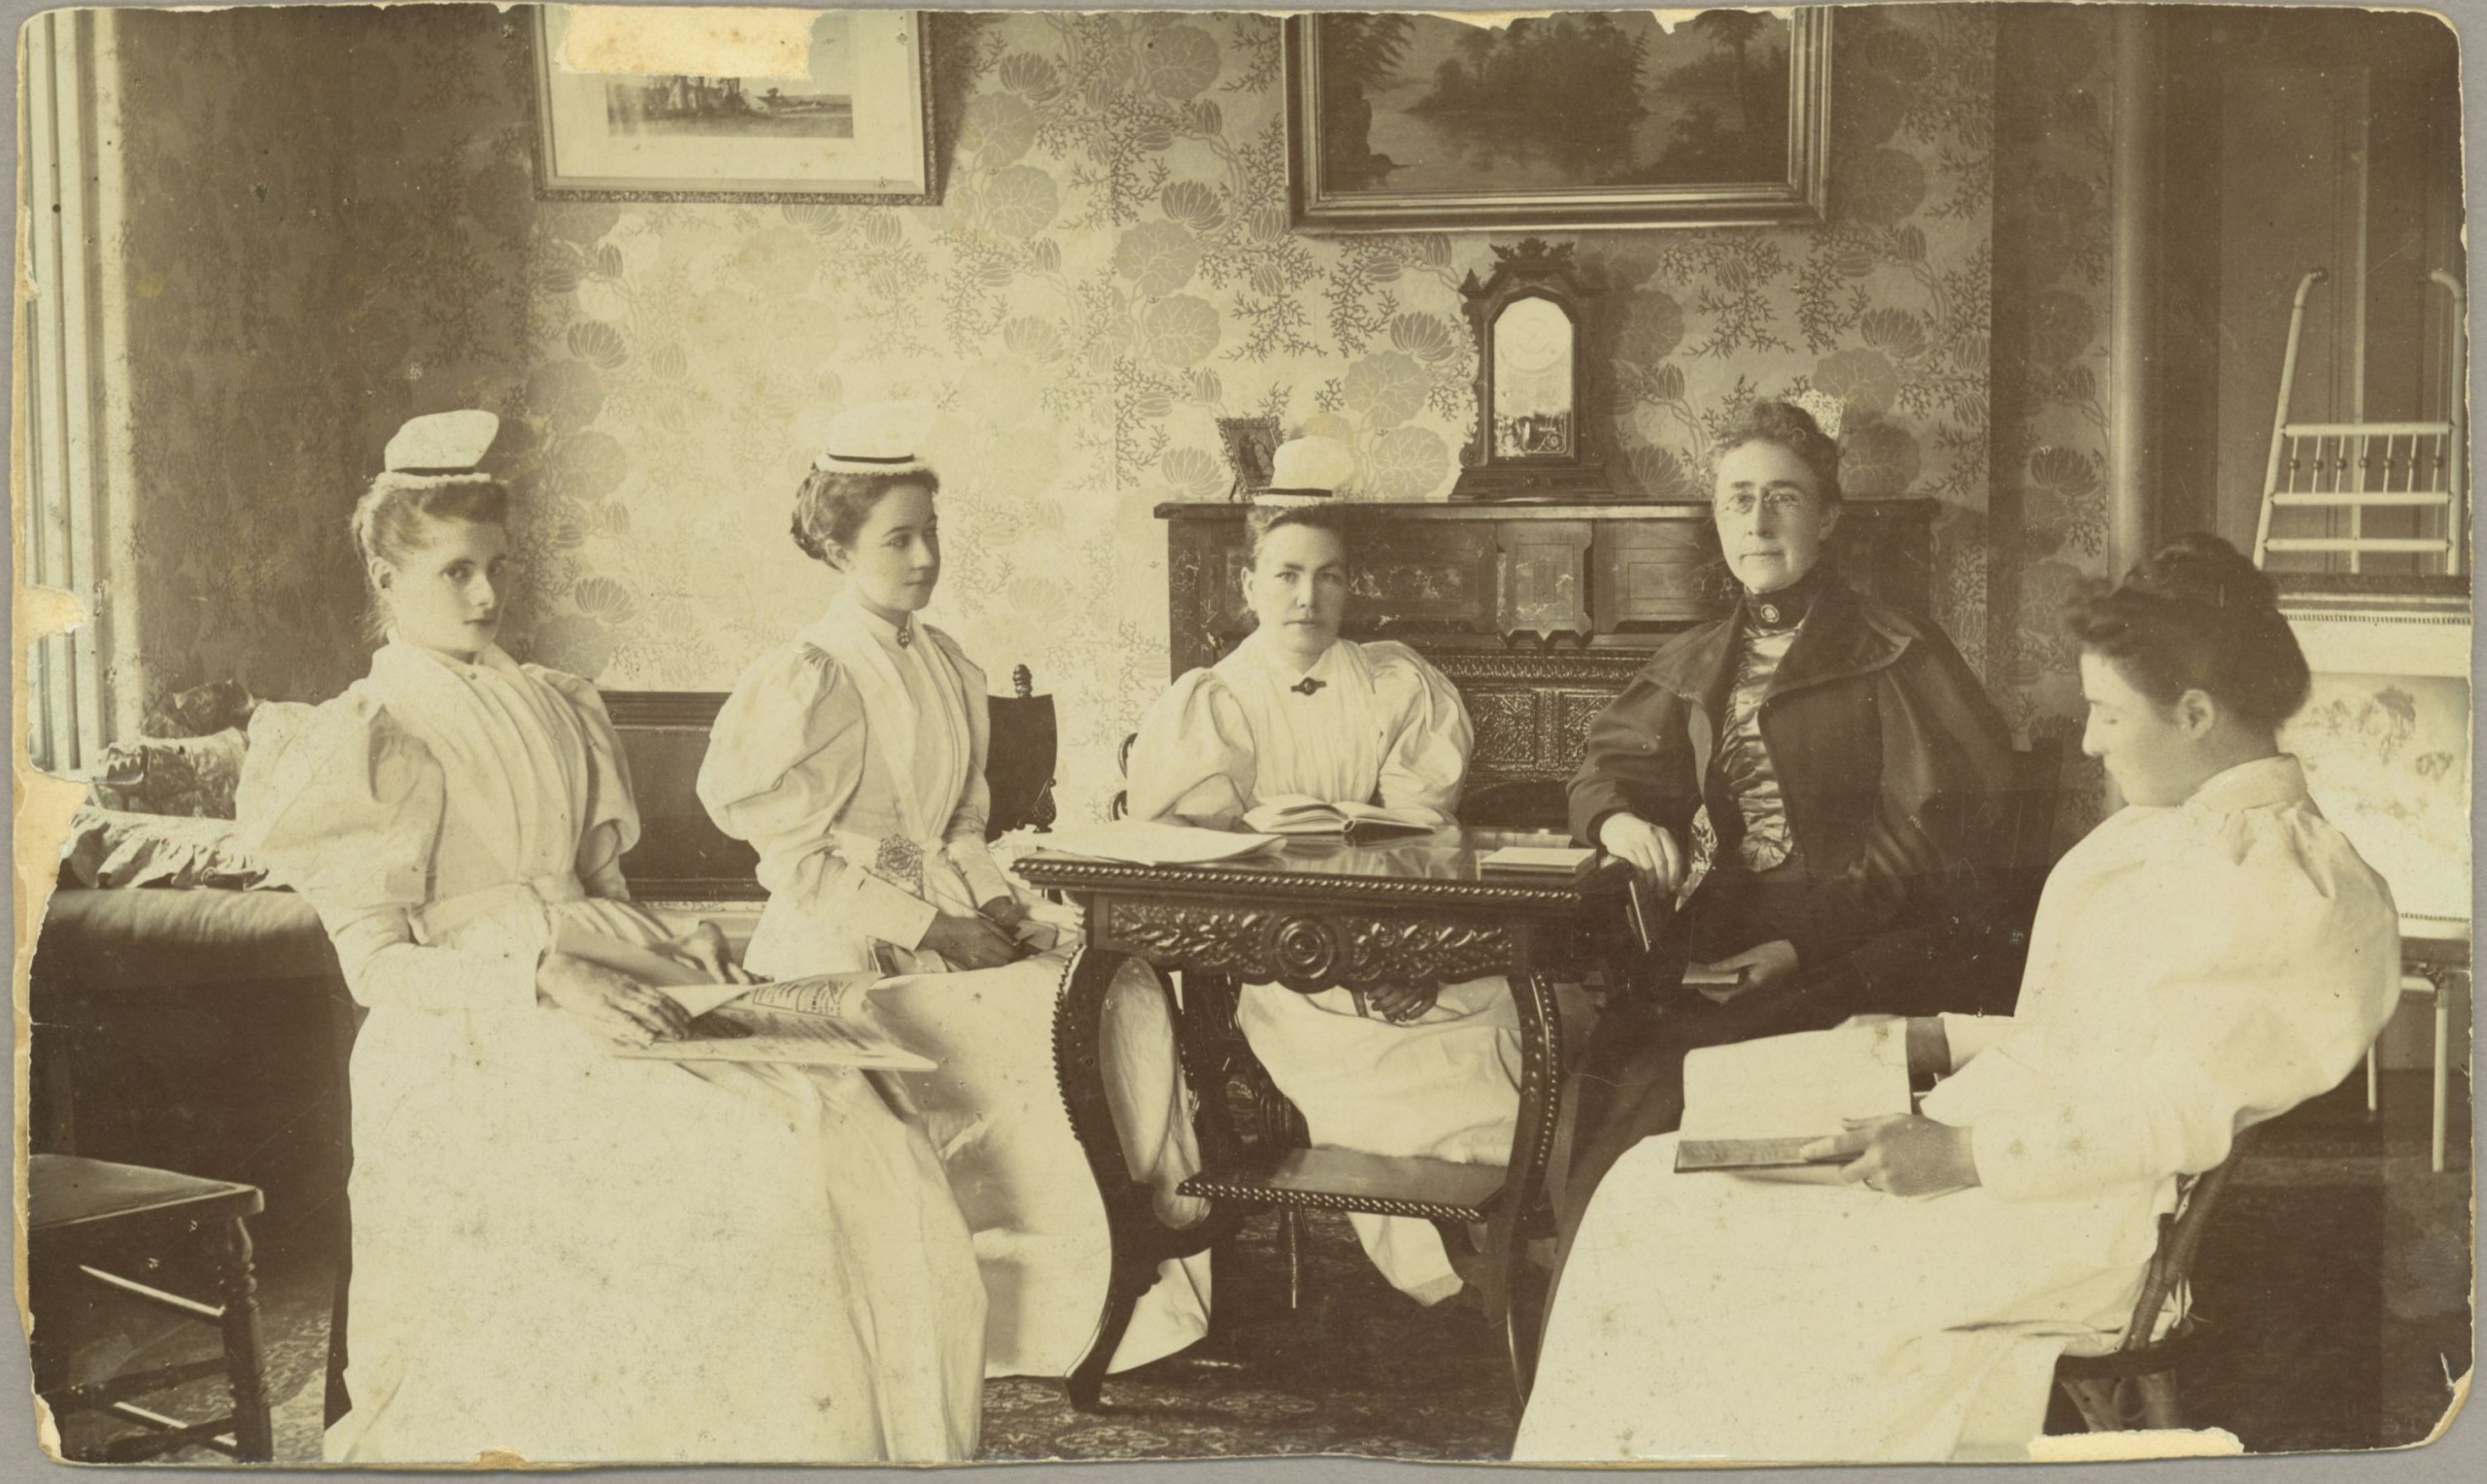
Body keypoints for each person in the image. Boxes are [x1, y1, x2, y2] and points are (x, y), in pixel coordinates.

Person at [1514, 533, 2402, 1463]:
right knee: (1655, 1177)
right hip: (2018, 1156)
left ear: (2193, 713)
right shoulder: (2172, 832)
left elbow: (2174, 1117)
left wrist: (1966, 1154)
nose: (2092, 742)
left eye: (2105, 714)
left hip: (2069, 1218)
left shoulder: (2285, 889)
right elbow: (2094, 1038)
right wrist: (1935, 1037)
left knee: (1668, 1220)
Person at [240, 411, 984, 1464]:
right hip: (468, 1042)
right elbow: (377, 968)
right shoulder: (365, 734)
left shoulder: (552, 701)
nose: (489, 597)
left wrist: (683, 949)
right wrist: (545, 980)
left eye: (496, 567)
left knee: (854, 1115)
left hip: (612, 991)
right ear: (384, 573)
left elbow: (596, 892)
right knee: (758, 1162)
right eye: (456, 572)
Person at [697, 402, 1212, 1380]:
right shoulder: (809, 676)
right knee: (1042, 1031)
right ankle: (1010, 1315)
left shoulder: (943, 662)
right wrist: (934, 923)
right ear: (839, 544)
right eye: (899, 538)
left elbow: (961, 828)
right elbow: (794, 860)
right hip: (840, 945)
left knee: (1118, 983)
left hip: (946, 918)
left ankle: (1117, 1285)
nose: (924, 558)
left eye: (931, 533)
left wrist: (1002, 906)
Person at [1555, 396, 2022, 1241]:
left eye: (1785, 497)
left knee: (1671, 1079)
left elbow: (1931, 837)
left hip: (1875, 938)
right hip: (1735, 928)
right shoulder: (1700, 654)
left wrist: (1800, 945)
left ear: (1828, 517)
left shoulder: (1897, 647)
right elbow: (1606, 768)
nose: (1758, 519)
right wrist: (1617, 822)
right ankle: (1588, 1286)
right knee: (1612, 1054)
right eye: (1737, 497)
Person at [1125, 435, 1505, 1309]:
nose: (1308, 596)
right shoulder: (1211, 701)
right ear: (1248, 585)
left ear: (1349, 586)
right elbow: (1198, 861)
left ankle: (1510, 1229)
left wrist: (1410, 958)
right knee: (1399, 1073)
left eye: (1328, 575)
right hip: (1282, 970)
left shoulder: (1398, 684)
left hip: (1403, 943)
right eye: (1287, 574)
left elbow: (1425, 836)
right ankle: (1453, 1272)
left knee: (1497, 1016)